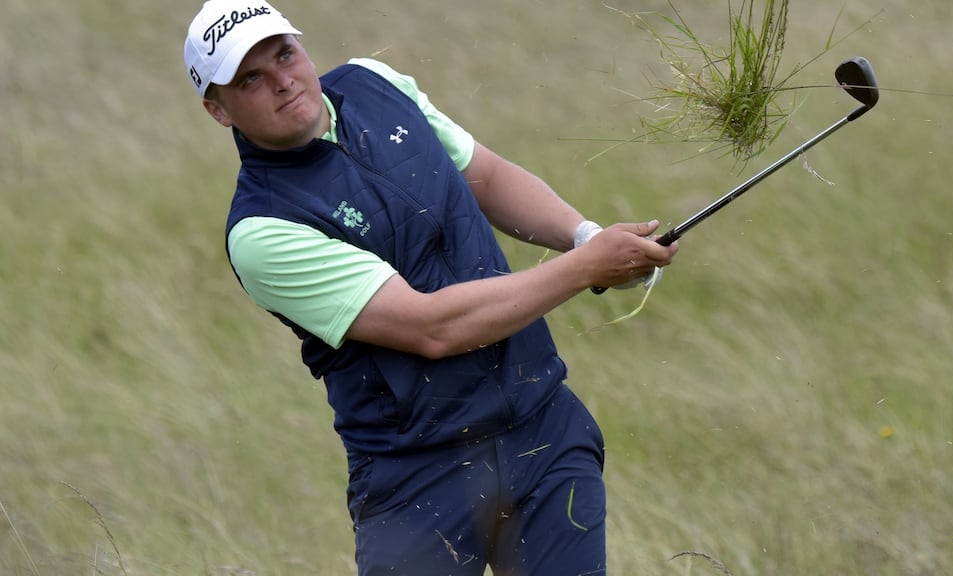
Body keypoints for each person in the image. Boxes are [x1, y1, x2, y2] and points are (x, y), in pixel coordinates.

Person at [183, 1, 677, 574]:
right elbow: (432, 328)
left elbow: (485, 176)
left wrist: (583, 234)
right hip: (417, 479)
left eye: (285, 54)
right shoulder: (262, 230)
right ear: (218, 110)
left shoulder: (375, 84)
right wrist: (589, 266)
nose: (282, 82)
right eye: (250, 79)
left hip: (543, 430)